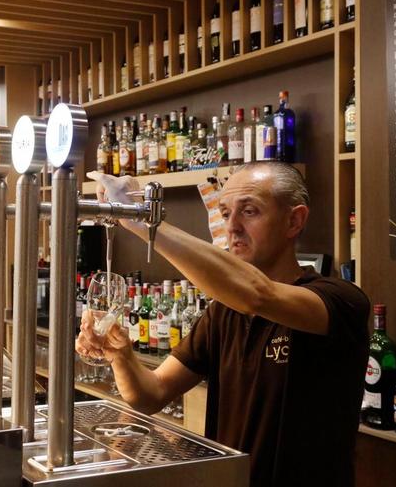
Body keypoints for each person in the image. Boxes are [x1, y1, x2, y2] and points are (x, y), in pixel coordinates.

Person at [76, 161, 370, 487]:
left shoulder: (340, 301)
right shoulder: (223, 313)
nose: (232, 227)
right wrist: (121, 355)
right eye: (226, 213)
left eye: (249, 211)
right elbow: (151, 394)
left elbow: (258, 294)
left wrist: (143, 220)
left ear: (294, 220)